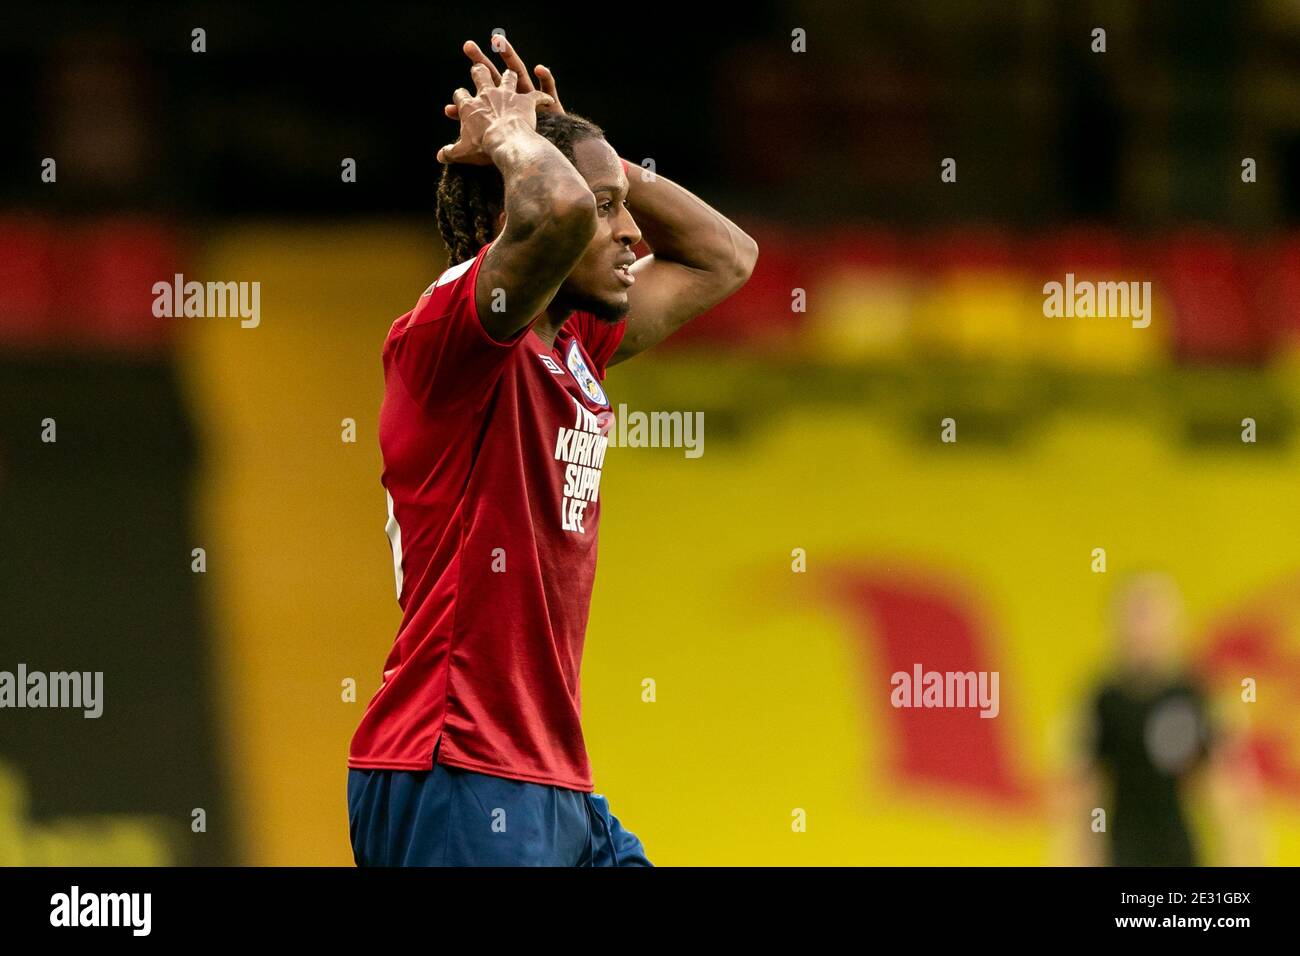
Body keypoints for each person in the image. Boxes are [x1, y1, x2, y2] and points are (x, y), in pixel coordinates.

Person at [346, 37, 758, 866]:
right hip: (455, 763)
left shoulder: (574, 344)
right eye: (608, 210)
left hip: (550, 779)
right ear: (515, 216)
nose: (632, 234)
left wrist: (585, 150)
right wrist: (514, 140)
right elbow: (558, 214)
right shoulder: (451, 336)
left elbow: (727, 256)